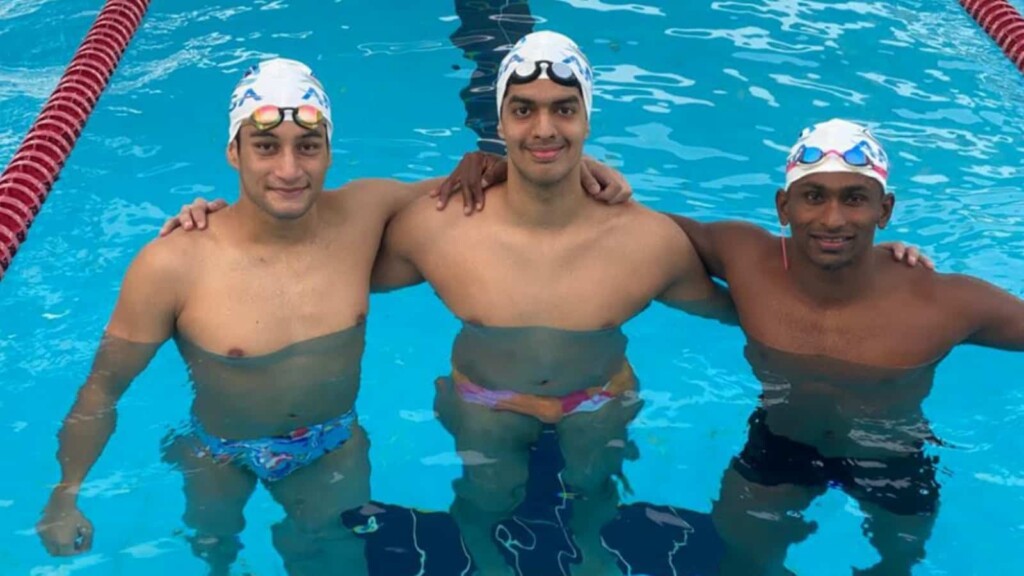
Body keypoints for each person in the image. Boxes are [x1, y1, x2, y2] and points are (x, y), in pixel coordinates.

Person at [367, 30, 734, 576]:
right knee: (485, 497)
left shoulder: (646, 243)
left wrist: (870, 267)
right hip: (484, 400)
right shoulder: (438, 228)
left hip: (596, 399)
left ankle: (592, 556)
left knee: (595, 494)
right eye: (524, 110)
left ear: (587, 120)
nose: (544, 129)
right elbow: (329, 269)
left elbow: (746, 312)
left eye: (564, 109)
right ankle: (484, 559)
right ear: (500, 123)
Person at [652, 118, 1024, 576]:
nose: (833, 219)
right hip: (781, 440)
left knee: (895, 566)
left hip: (892, 457)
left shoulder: (945, 302)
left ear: (884, 211)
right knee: (740, 559)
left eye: (854, 199)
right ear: (783, 206)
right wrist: (591, 174)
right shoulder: (745, 256)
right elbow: (637, 224)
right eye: (813, 197)